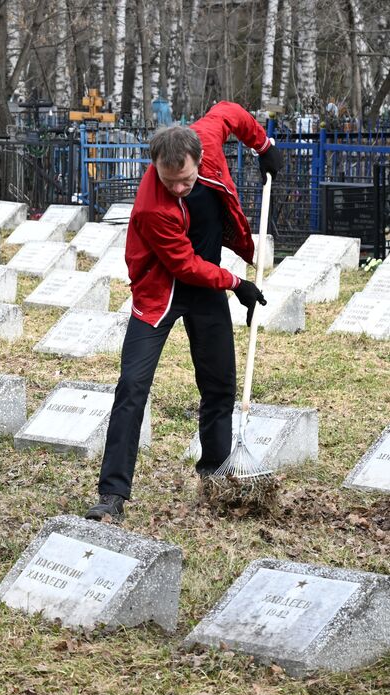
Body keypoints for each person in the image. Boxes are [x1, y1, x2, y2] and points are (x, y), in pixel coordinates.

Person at [85, 102, 282, 522]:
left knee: (219, 385)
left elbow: (229, 112)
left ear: (200, 157)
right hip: (161, 290)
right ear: (155, 165)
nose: (177, 188)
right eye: (168, 181)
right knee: (132, 386)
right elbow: (184, 266)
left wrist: (264, 146)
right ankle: (112, 494)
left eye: (187, 180)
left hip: (206, 290)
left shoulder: (207, 136)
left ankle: (215, 476)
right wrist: (237, 284)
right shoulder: (151, 207)